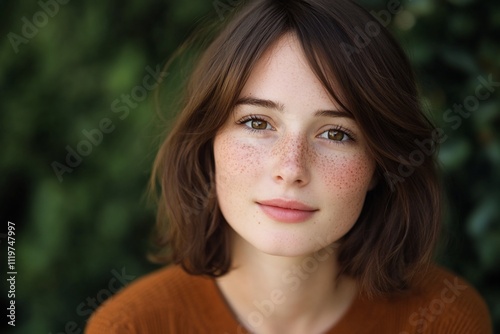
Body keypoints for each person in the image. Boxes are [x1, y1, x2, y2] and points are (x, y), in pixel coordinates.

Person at [85, 0, 492, 333]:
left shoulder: (445, 320)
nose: (291, 168)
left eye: (336, 133)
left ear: (380, 164)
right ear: (208, 141)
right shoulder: (131, 326)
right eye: (257, 123)